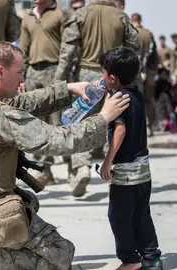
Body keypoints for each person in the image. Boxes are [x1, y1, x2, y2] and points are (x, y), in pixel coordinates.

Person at [0, 41, 131, 269]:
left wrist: (69, 89)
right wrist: (103, 117)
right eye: (20, 72)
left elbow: (19, 103)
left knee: (28, 203)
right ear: (0, 72)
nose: (22, 79)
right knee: (60, 254)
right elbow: (57, 140)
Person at [67, 0, 141, 196]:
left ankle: (82, 167)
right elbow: (135, 42)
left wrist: (64, 76)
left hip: (86, 74)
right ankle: (112, 168)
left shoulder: (80, 14)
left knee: (81, 122)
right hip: (114, 77)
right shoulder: (120, 15)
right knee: (115, 122)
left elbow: (69, 48)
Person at [98, 47, 163, 270]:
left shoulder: (119, 99)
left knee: (118, 217)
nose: (101, 77)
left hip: (125, 171)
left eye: (103, 73)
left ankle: (130, 260)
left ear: (113, 78)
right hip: (143, 169)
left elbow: (120, 130)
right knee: (141, 214)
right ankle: (151, 258)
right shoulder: (135, 94)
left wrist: (107, 161)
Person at [19, 0, 79, 186]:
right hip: (33, 75)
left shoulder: (61, 14)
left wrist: (60, 77)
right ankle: (45, 170)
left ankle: (73, 169)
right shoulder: (27, 17)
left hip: (55, 71)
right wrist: (21, 76)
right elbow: (23, 50)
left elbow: (68, 49)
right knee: (37, 126)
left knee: (60, 123)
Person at [130, 12, 159, 136]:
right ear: (140, 20)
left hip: (134, 72)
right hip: (149, 72)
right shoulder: (148, 34)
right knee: (148, 99)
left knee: (136, 98)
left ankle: (139, 125)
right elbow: (154, 55)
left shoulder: (130, 33)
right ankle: (150, 125)